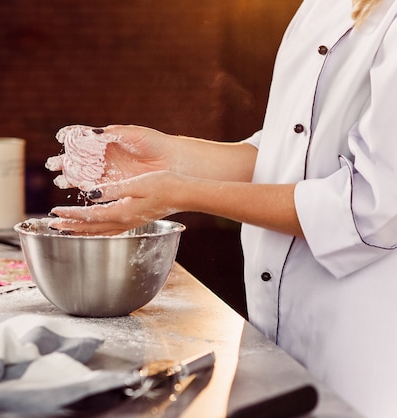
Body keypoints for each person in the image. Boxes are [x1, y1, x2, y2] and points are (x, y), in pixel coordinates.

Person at [46, 0, 397, 416]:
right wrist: (171, 158)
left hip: (363, 354)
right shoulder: (320, 6)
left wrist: (181, 192)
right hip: (280, 338)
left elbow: (373, 208)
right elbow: (288, 154)